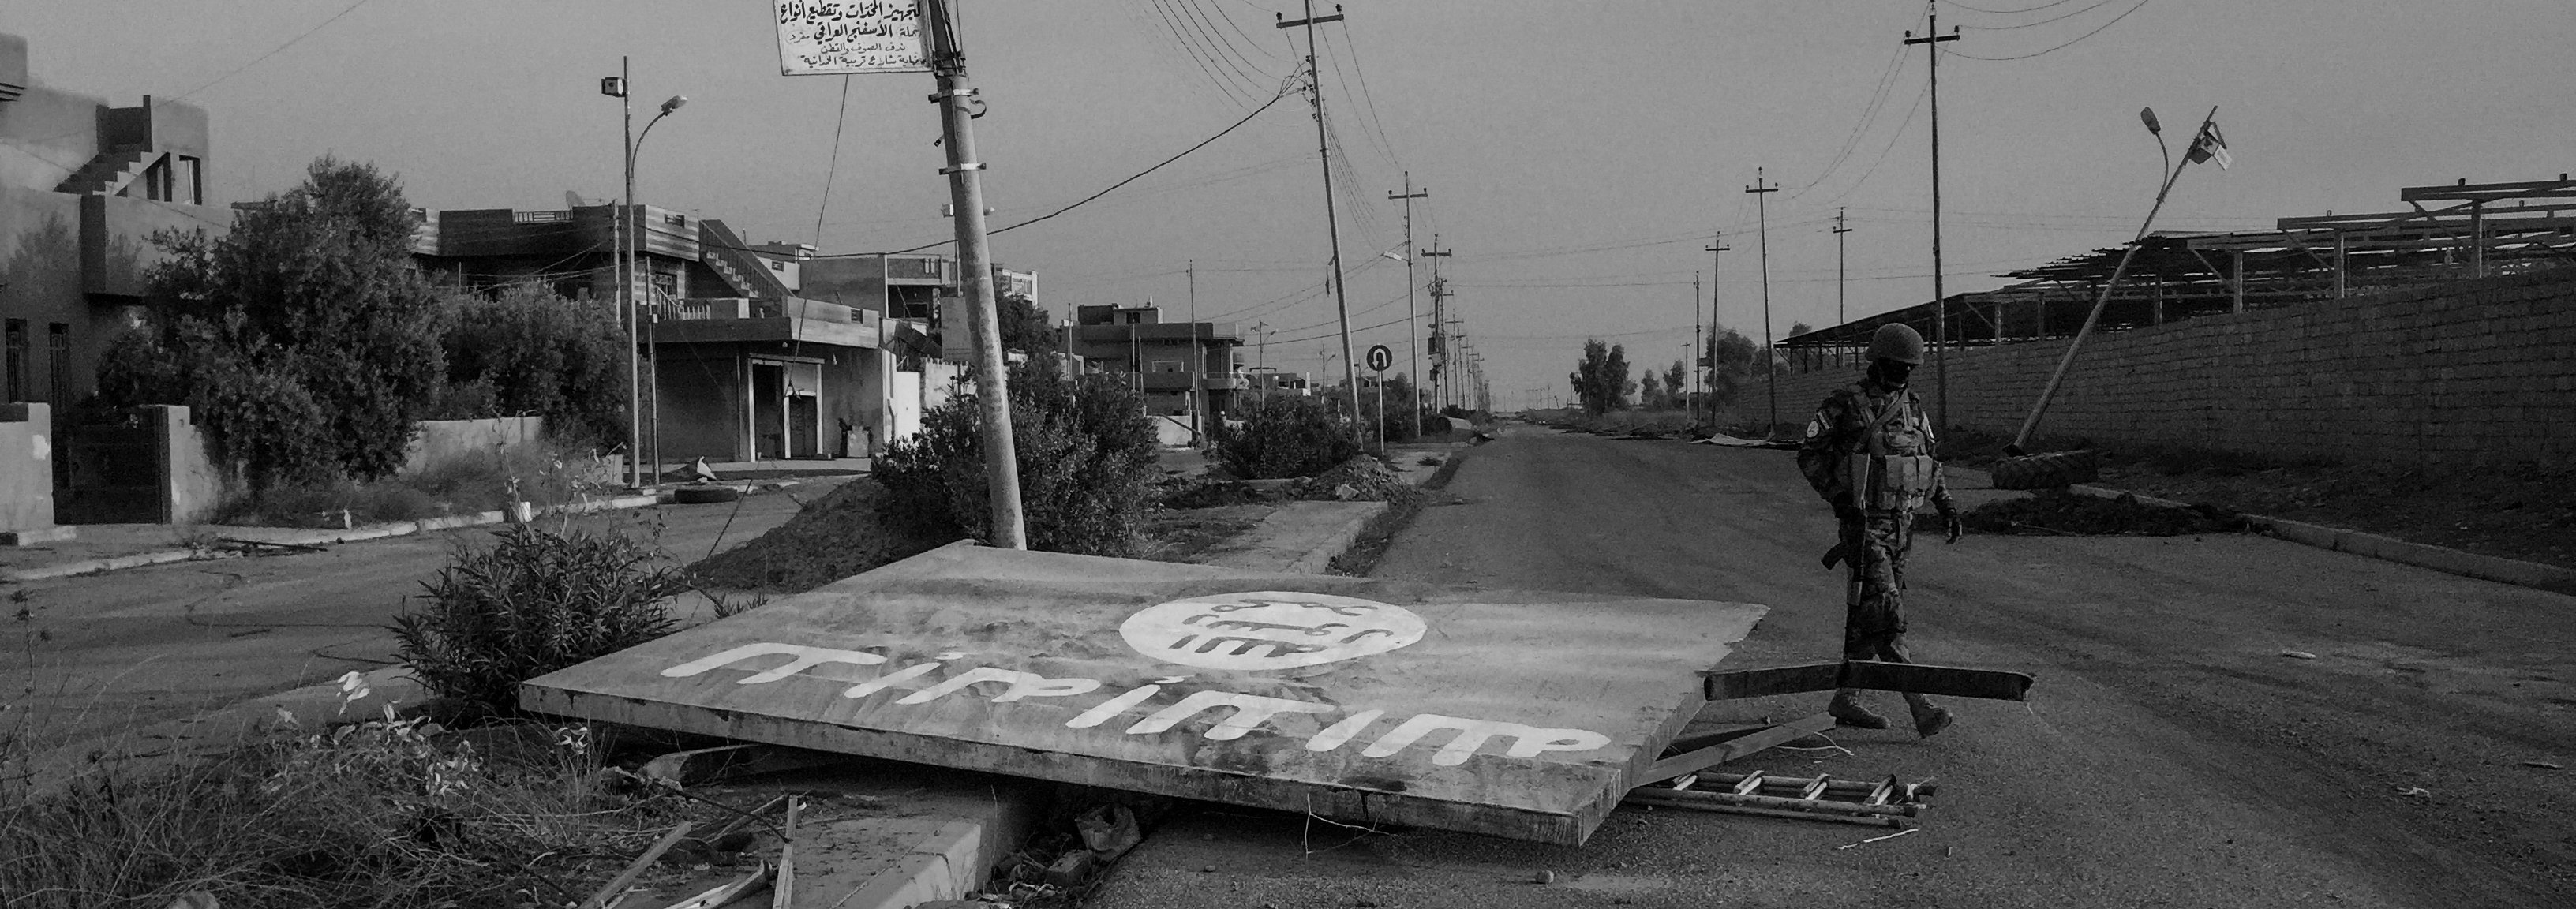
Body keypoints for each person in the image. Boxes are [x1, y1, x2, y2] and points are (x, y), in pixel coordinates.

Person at [1795, 323, 1964, 738]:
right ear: (1878, 362)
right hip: (1866, 526)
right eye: (1896, 366)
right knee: (1888, 616)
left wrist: (1945, 505)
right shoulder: (1845, 405)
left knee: (1867, 614)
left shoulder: (1913, 407)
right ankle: (1920, 705)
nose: (1902, 375)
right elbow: (1809, 455)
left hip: (1902, 527)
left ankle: (1846, 699)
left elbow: (1930, 461)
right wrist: (1839, 499)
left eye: (1909, 368)